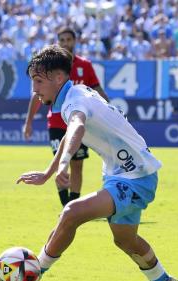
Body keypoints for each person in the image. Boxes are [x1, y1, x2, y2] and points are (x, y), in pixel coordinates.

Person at [17, 45, 178, 281]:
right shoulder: (77, 92)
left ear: (59, 78)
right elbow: (69, 134)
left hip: (136, 177)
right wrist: (49, 172)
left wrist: (64, 164)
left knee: (72, 213)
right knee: (125, 240)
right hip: (121, 174)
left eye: (38, 81)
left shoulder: (76, 101)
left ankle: (36, 271)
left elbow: (77, 128)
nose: (34, 89)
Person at [23, 28, 109, 208]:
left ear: (74, 41)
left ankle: (73, 204)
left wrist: (110, 109)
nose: (65, 43)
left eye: (68, 39)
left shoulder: (84, 66)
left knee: (77, 165)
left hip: (79, 120)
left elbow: (96, 89)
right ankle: (66, 207)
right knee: (63, 162)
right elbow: (36, 96)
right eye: (62, 40)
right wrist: (28, 122)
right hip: (57, 122)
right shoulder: (49, 68)